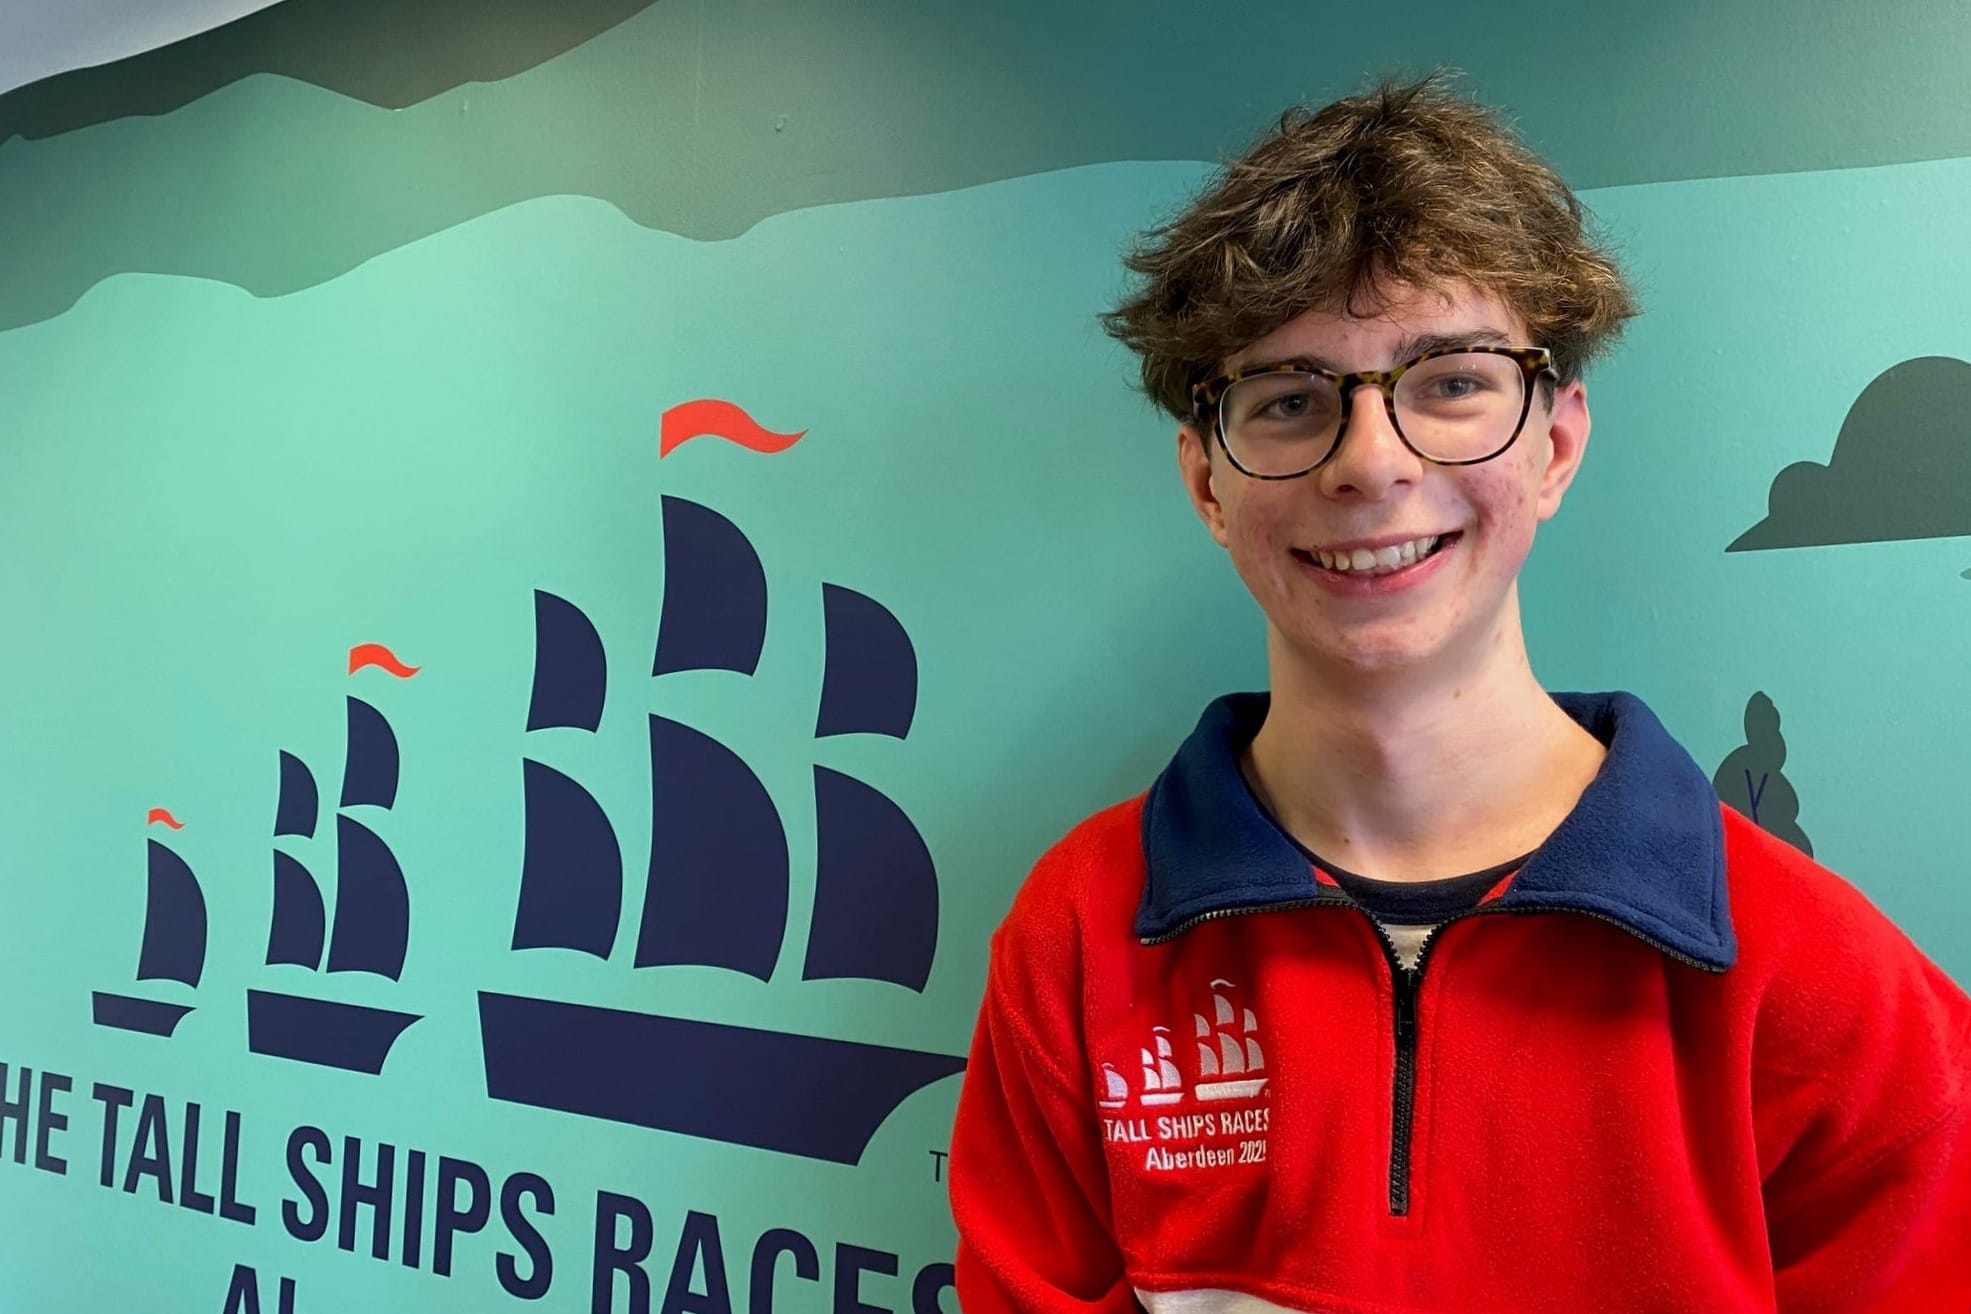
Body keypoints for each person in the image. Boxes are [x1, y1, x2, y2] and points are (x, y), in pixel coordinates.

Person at [947, 75, 1971, 1312]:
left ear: (1555, 442)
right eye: (1287, 401)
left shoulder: (1830, 999)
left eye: (1452, 382)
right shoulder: (1078, 938)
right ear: (1207, 482)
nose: (1372, 464)